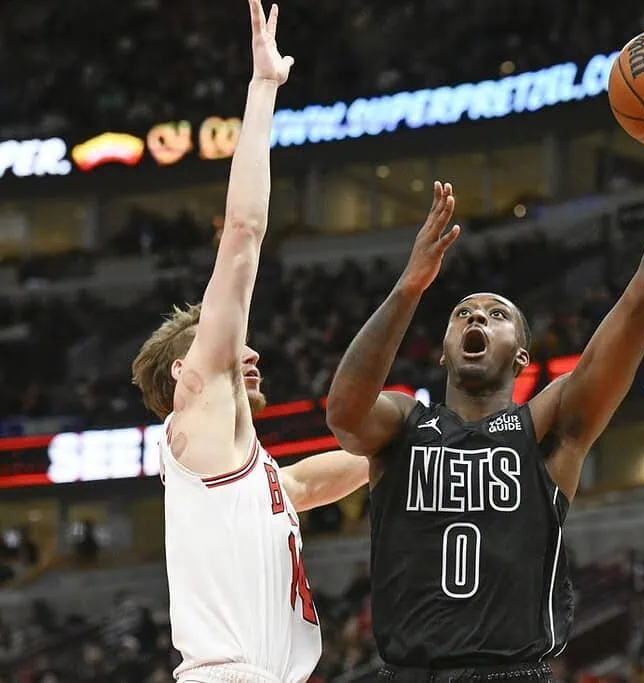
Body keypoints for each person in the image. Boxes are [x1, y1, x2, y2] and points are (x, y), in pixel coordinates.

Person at [325, 67, 644, 681]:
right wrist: (409, 287)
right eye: (464, 312)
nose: (477, 316)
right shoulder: (400, 423)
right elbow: (342, 412)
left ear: (521, 354)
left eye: (497, 315)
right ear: (443, 350)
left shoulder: (549, 428)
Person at [130, 3, 368, 682]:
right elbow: (241, 234)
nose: (249, 351)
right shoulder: (201, 400)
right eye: (231, 345)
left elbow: (305, 482)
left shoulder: (241, 467)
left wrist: (401, 439)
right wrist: (263, 89)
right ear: (188, 366)